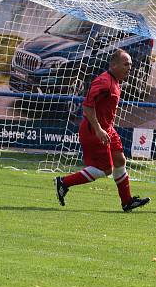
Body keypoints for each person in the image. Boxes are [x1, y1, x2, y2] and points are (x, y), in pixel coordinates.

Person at [55, 49, 150, 212]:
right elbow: (87, 106)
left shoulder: (115, 82)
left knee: (120, 160)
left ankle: (127, 202)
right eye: (125, 64)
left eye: (131, 65)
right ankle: (64, 182)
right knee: (105, 170)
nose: (129, 68)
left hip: (107, 129)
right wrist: (98, 129)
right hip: (94, 130)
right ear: (113, 65)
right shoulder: (104, 81)